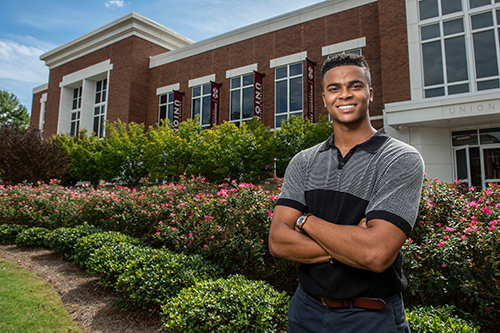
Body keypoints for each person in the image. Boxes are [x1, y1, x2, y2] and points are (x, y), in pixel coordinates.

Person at [268, 53, 424, 332]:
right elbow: (278, 241)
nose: (344, 95)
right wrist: (352, 244)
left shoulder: (399, 159)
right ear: (325, 99)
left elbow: (376, 253)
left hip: (370, 318)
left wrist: (305, 221)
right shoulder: (304, 161)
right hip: (305, 310)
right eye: (334, 88)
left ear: (370, 93)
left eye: (355, 85)